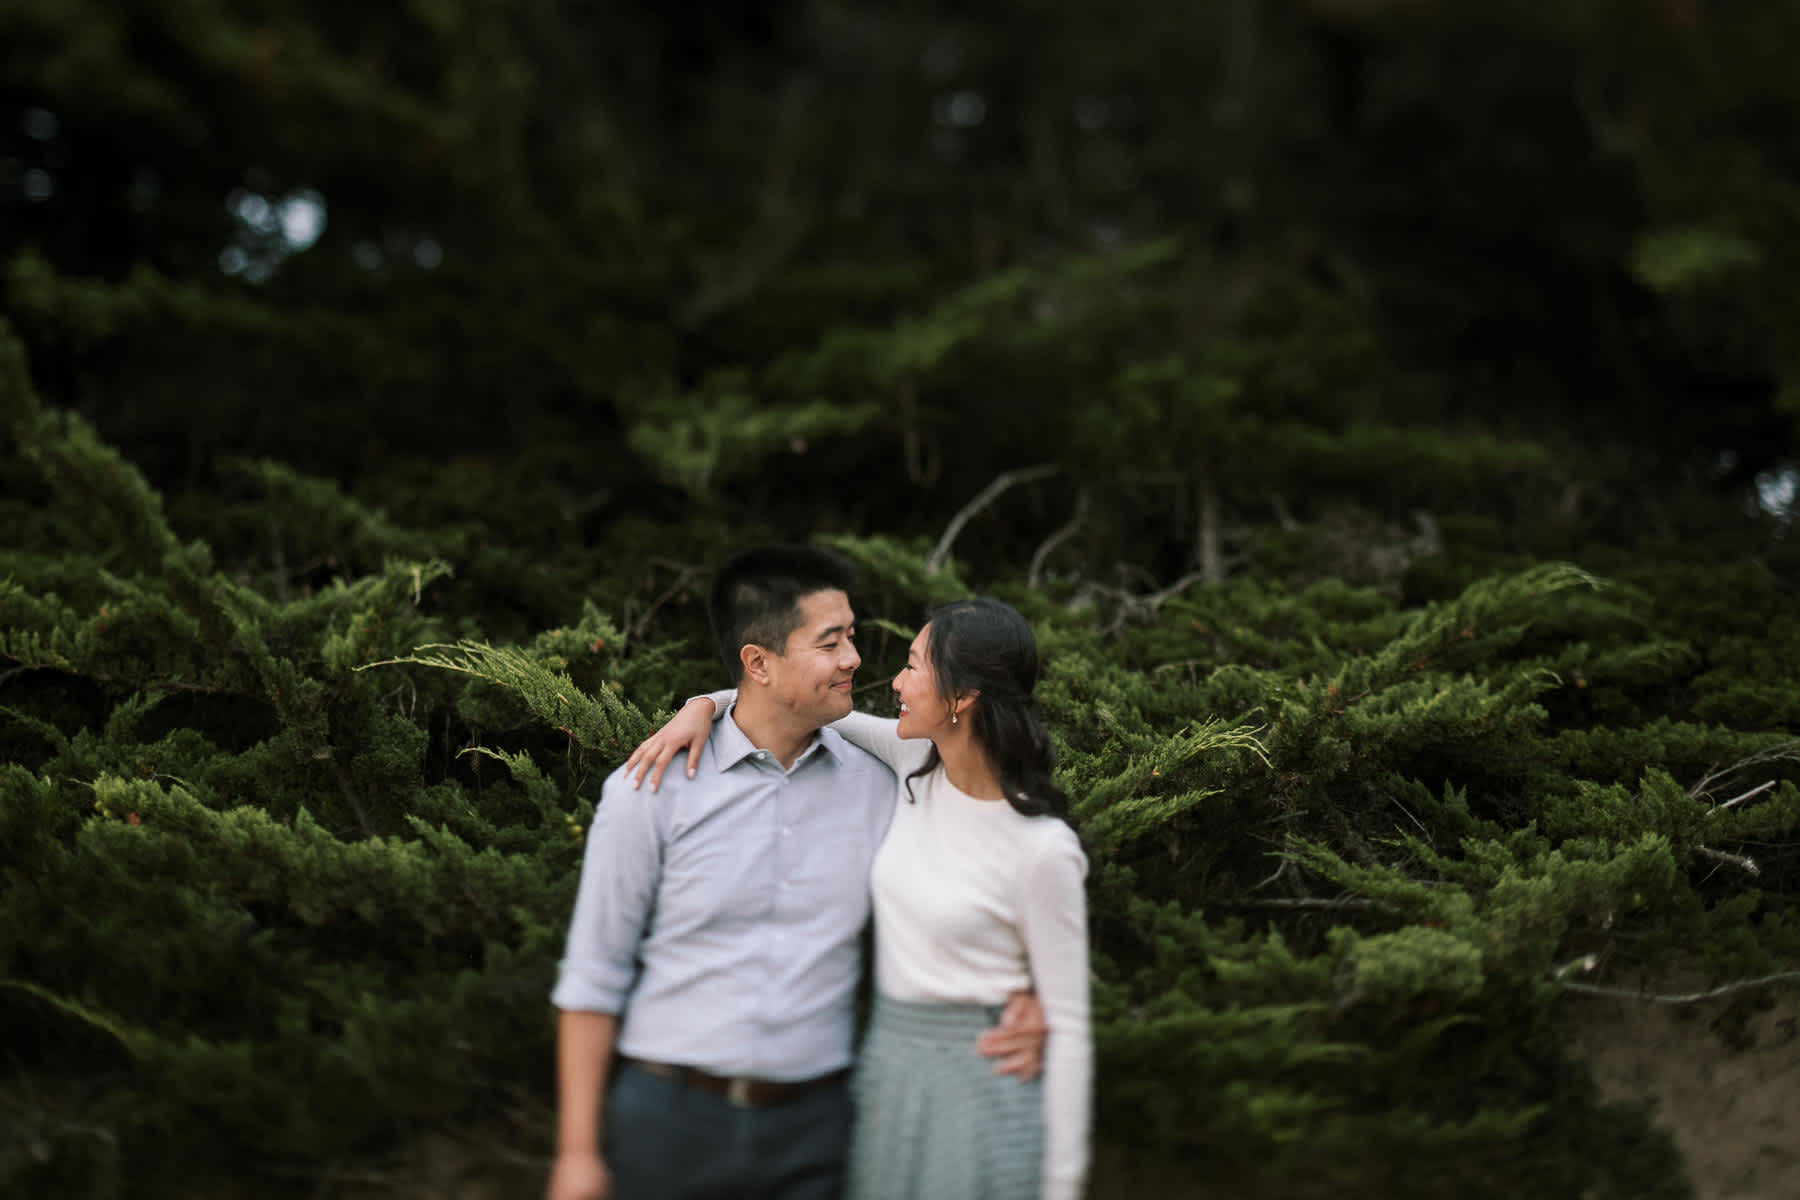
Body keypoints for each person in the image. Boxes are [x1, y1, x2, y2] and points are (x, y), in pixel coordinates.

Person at [547, 547, 1045, 1200]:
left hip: (819, 1130)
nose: (855, 660)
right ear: (759, 662)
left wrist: (1031, 985)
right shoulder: (650, 788)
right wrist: (577, 1153)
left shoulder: (883, 785)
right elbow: (593, 974)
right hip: (669, 1122)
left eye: (853, 637)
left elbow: (981, 864)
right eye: (830, 641)